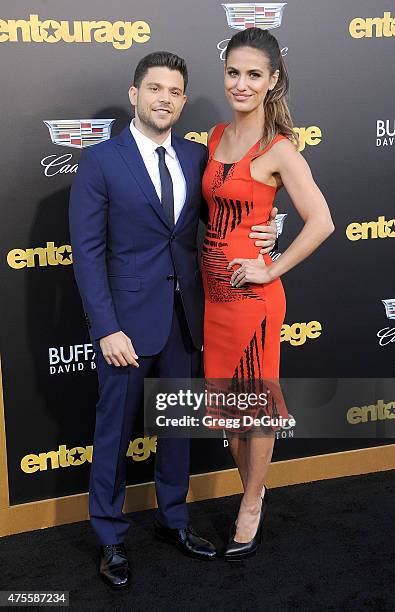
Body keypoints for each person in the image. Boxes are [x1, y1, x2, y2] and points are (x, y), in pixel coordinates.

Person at [69, 51, 278, 588]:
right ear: (135, 94)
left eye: (175, 91)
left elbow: (229, 217)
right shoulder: (100, 162)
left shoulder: (194, 156)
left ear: (183, 101)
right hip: (126, 328)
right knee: (114, 433)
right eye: (155, 88)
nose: (165, 98)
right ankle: (111, 538)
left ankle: (173, 520)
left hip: (188, 317)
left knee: (177, 430)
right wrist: (106, 327)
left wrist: (269, 232)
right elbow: (88, 253)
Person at [201, 27, 334, 561]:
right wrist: (267, 224)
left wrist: (270, 266)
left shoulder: (278, 149)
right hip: (212, 301)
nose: (241, 83)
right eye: (234, 72)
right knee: (228, 415)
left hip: (254, 303)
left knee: (255, 411)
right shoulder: (213, 138)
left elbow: (323, 221)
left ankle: (251, 504)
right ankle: (256, 485)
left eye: (254, 75)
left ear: (273, 81)